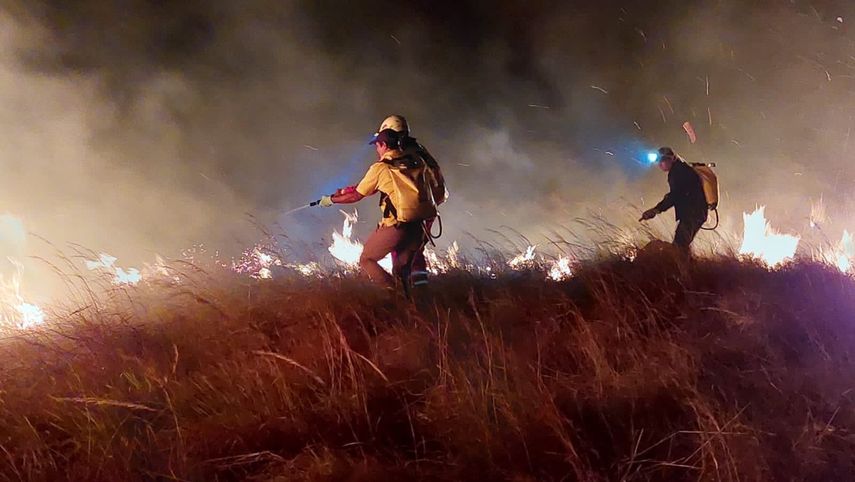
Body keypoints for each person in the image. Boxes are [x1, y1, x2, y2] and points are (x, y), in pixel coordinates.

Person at [320, 128, 438, 290]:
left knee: (366, 259)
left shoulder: (381, 167)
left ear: (384, 145)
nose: (377, 150)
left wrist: (330, 200)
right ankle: (410, 302)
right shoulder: (416, 161)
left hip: (397, 227)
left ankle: (394, 293)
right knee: (401, 272)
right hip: (419, 228)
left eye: (377, 146)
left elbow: (356, 196)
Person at [374, 115, 447, 287]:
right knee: (415, 252)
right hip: (427, 209)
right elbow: (438, 186)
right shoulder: (420, 151)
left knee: (402, 251)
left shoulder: (402, 154)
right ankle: (419, 289)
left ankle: (404, 290)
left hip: (408, 212)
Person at [640, 147, 708, 250]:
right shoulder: (681, 169)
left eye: (662, 161)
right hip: (696, 212)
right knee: (682, 245)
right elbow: (677, 194)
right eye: (658, 162)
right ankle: (685, 259)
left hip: (692, 213)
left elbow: (675, 195)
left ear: (670, 159)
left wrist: (656, 209)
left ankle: (680, 260)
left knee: (679, 245)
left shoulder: (678, 172)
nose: (660, 165)